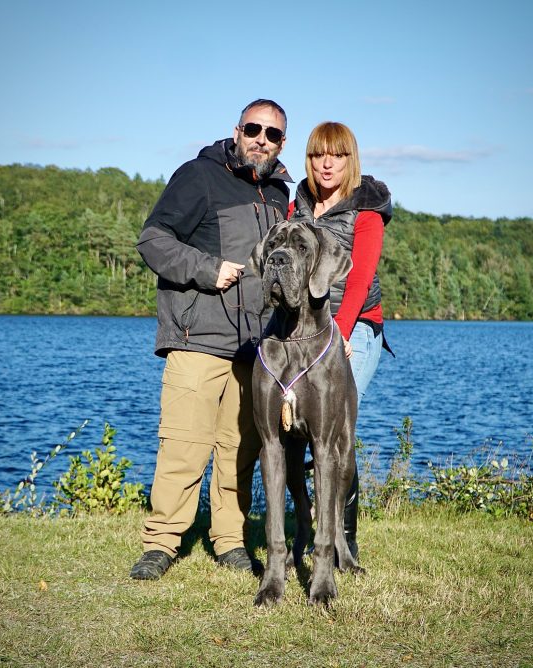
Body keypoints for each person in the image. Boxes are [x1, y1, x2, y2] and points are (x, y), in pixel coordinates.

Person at [130, 99, 292, 580]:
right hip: (197, 336)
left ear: (282, 141)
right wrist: (205, 269)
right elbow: (153, 240)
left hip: (254, 347)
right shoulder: (199, 175)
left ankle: (230, 542)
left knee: (239, 450)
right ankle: (161, 543)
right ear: (237, 130)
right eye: (254, 129)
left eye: (273, 134)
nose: (262, 140)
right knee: (183, 445)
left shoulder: (281, 194)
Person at [289, 121, 393, 561]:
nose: (326, 163)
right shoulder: (299, 203)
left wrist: (341, 333)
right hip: (302, 331)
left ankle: (342, 543)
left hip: (354, 329)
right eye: (317, 155)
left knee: (336, 435)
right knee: (297, 434)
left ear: (351, 159)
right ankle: (303, 531)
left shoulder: (366, 208)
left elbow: (359, 278)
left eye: (336, 155)